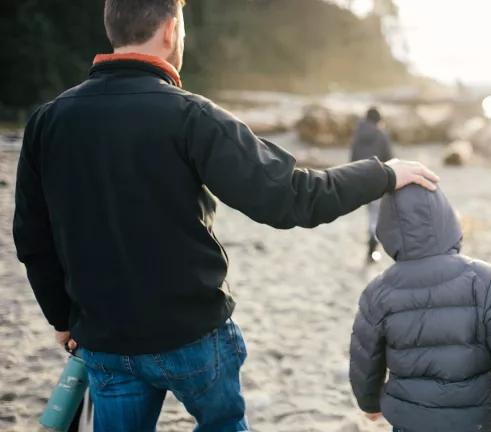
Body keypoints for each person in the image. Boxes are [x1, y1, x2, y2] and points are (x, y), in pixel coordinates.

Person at [12, 0, 439, 430]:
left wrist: (62, 317)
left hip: (104, 338)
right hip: (191, 333)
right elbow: (291, 197)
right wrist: (382, 174)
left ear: (112, 28)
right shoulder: (189, 115)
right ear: (170, 30)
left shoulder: (48, 121)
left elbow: (33, 237)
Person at [349, 185, 491, 432]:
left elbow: (365, 359)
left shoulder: (377, 292)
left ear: (387, 229)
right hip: (474, 421)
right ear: (446, 220)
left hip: (410, 421)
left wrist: (369, 403)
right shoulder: (486, 281)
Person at [350, 106, 394, 263]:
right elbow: (389, 159)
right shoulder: (381, 135)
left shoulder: (357, 134)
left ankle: (371, 245)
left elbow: (352, 158)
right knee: (376, 215)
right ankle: (372, 248)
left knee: (371, 213)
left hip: (360, 180)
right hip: (377, 180)